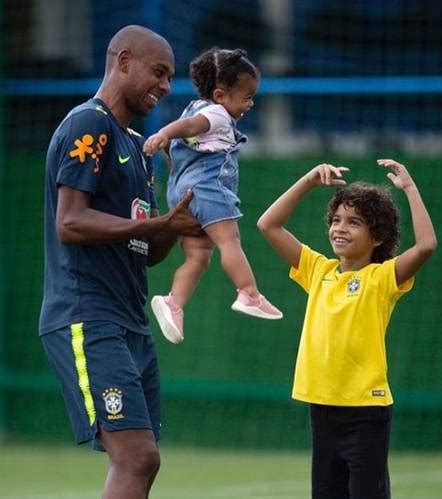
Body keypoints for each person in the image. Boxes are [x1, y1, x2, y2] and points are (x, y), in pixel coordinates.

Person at [39, 25, 202, 499]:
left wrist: (175, 221)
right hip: (86, 315)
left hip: (128, 322)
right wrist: (154, 225)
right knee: (136, 456)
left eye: (170, 78)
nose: (167, 86)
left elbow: (146, 253)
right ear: (123, 61)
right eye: (160, 72)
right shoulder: (89, 124)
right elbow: (69, 223)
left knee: (145, 460)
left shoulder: (138, 147)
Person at [257, 159, 437, 499]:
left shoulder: (381, 278)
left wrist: (411, 189)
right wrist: (308, 180)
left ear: (378, 237)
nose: (340, 228)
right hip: (322, 409)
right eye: (336, 220)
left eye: (354, 222)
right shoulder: (318, 270)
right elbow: (268, 225)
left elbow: (426, 246)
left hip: (365, 414)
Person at [143, 47, 282, 344]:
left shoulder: (192, 106)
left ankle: (173, 303)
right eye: (246, 97)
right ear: (220, 95)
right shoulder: (215, 115)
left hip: (183, 193)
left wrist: (168, 147)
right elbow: (188, 128)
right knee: (228, 241)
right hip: (209, 189)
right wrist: (164, 133)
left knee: (198, 256)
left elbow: (179, 145)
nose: (251, 103)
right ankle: (248, 293)